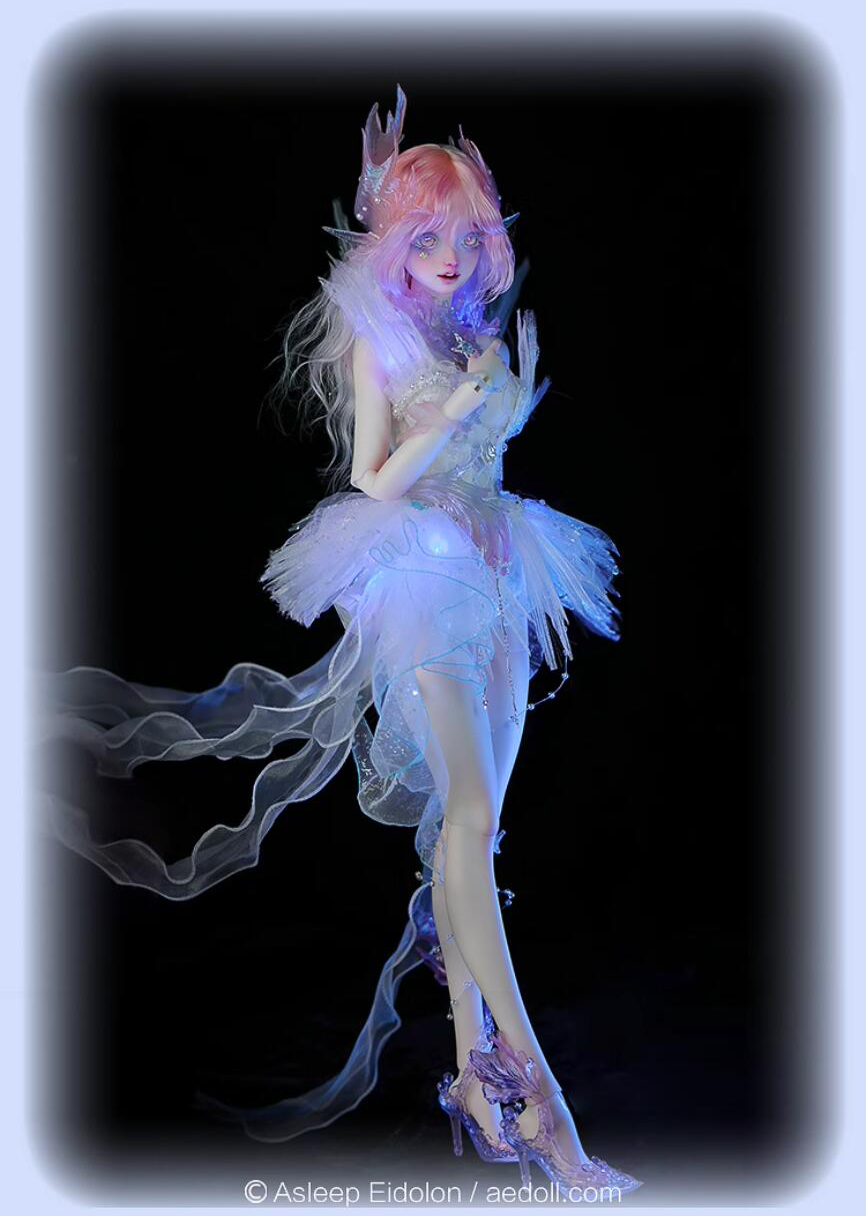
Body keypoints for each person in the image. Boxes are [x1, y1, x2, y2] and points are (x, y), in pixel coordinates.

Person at [37, 84, 642, 1194]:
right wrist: (452, 415)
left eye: (465, 236)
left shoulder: (476, 331)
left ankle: (474, 1080)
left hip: (502, 570)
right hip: (420, 578)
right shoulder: (379, 338)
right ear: (395, 240)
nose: (450, 257)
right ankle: (547, 1109)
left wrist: (488, 406)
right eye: (428, 237)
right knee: (466, 819)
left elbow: (488, 455)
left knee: (472, 834)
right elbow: (370, 477)